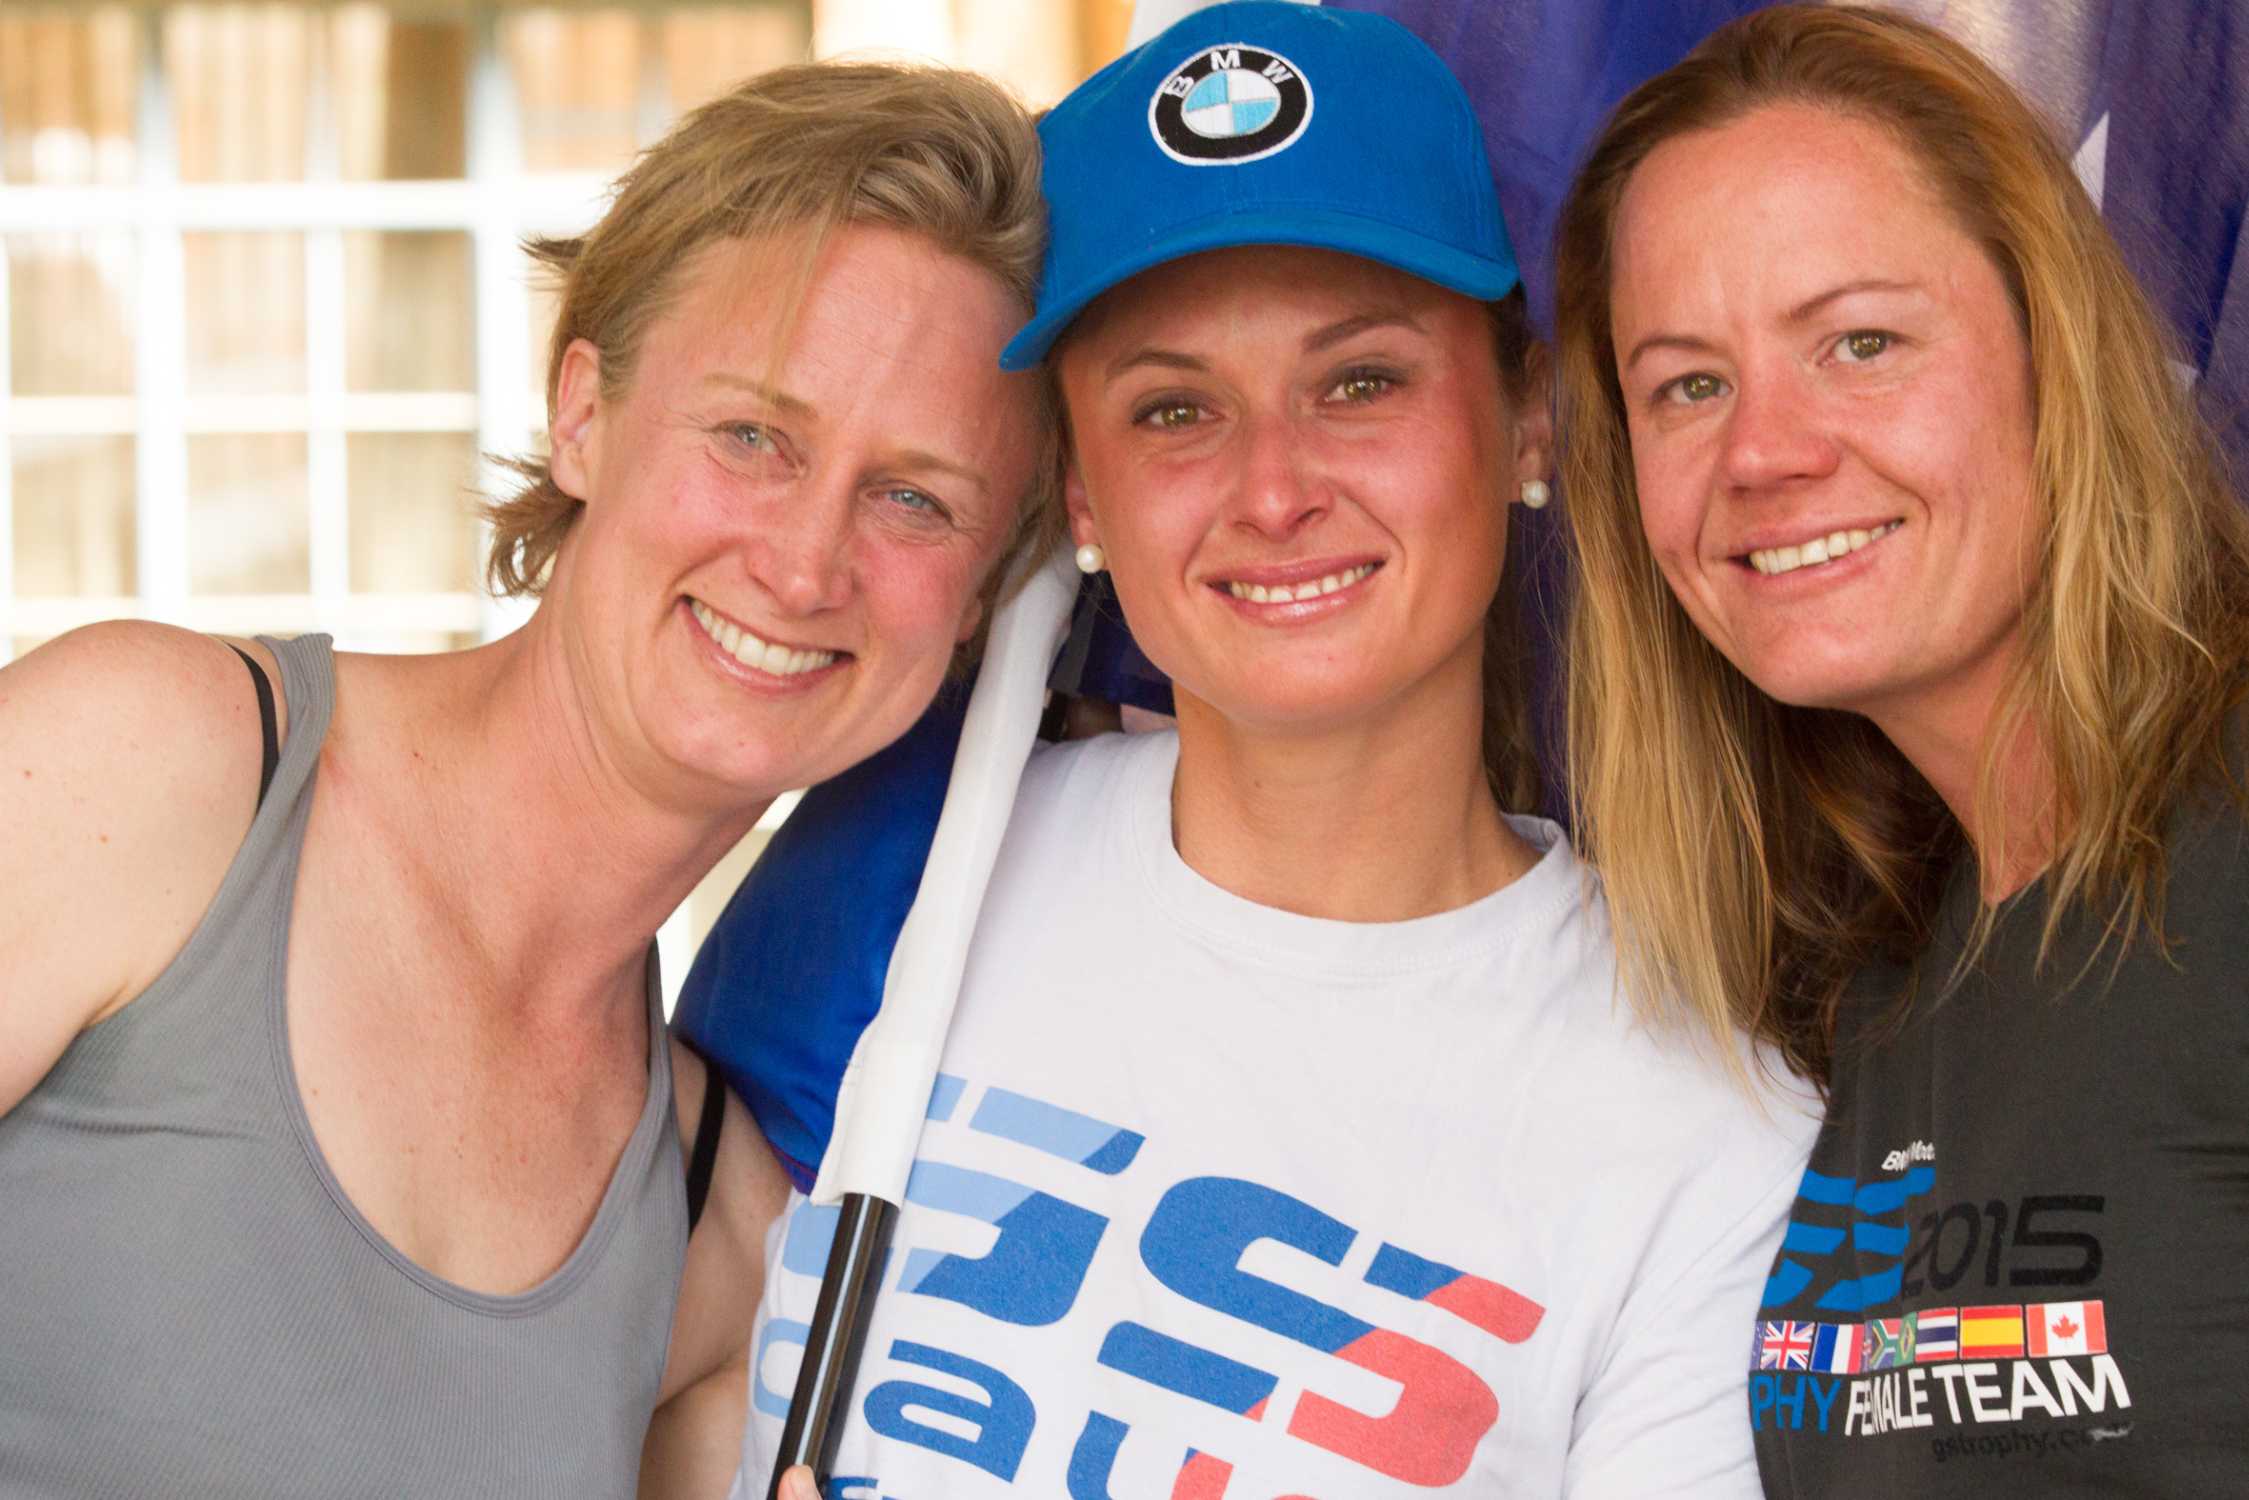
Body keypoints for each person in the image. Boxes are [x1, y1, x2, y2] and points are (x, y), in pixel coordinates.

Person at [724, 7, 1817, 1497]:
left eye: (1359, 382)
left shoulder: (1709, 1134)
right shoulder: (908, 865)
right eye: (1173, 409)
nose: (1273, 489)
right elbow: (649, 1387)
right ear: (1081, 495)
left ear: (1527, 421)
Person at [0, 60, 1057, 1500]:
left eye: (914, 498)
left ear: (982, 597)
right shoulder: (152, 772)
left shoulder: (714, 1233)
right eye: (753, 436)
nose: (807, 565)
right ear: (583, 415)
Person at [1553, 6, 2249, 1494]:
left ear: (2054, 353)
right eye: (1688, 384)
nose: (1763, 451)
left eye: (1860, 343)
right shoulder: (1856, 974)